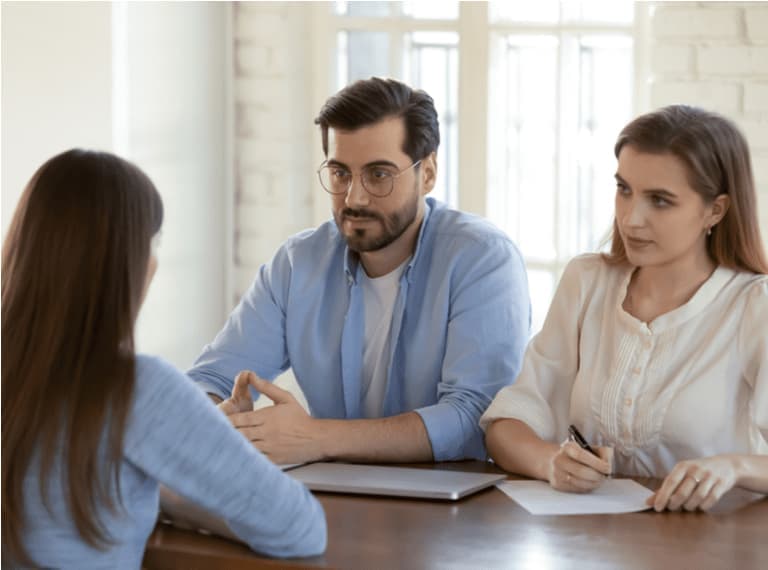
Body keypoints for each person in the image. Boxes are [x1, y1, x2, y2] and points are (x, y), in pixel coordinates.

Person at [1, 149, 326, 568]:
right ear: (131, 264)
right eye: (151, 244)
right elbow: (300, 527)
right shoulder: (134, 389)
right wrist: (183, 461)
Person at [189, 77, 530, 464]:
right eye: (340, 173)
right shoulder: (298, 263)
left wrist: (315, 437)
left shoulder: (482, 259)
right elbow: (210, 379)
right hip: (335, 497)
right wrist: (217, 416)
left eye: (378, 174)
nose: (355, 197)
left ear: (429, 173)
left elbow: (473, 416)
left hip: (456, 503)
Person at [481, 105, 768, 512]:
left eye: (661, 201)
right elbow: (508, 423)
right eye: (624, 189)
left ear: (715, 210)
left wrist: (735, 467)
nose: (632, 219)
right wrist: (550, 463)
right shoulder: (587, 281)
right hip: (592, 545)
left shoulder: (753, 304)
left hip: (711, 546)